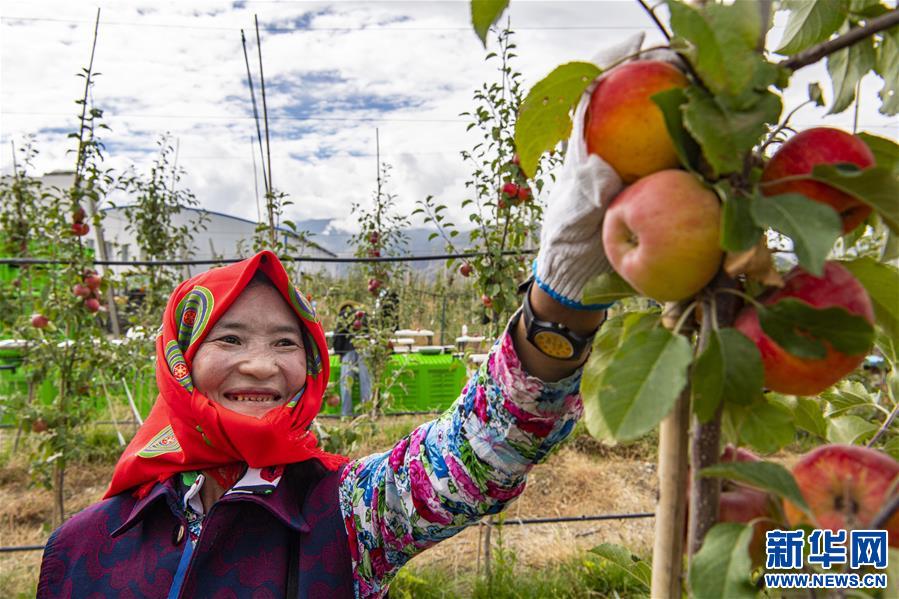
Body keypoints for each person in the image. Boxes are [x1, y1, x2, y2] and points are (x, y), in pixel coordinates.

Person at [38, 34, 652, 599]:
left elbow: (485, 446)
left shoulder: (350, 515)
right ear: (180, 361)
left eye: (286, 343)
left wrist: (561, 298)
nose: (262, 365)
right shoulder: (84, 546)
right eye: (231, 338)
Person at [332, 300, 372, 417]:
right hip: (363, 348)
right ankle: (367, 412)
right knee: (366, 381)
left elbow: (338, 336)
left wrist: (339, 352)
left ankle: (346, 413)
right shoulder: (363, 314)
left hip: (347, 350)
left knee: (346, 382)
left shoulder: (342, 315)